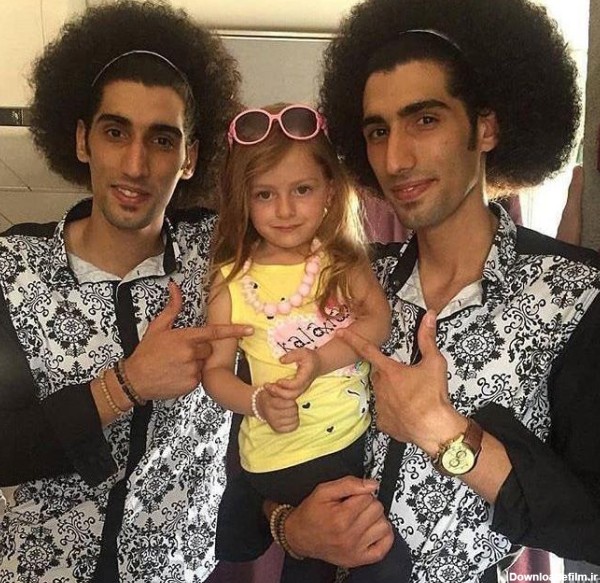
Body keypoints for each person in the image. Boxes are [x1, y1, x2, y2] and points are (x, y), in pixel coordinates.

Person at [262, 0, 600, 581]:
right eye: (378, 131)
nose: (396, 159)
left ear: (485, 128)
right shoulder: (343, 281)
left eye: (425, 120)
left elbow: (590, 526)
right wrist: (289, 527)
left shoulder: (575, 295)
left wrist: (445, 434)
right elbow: (259, 442)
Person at [0, 2, 251, 581]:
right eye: (115, 132)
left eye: (162, 140)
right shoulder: (13, 270)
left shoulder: (225, 256)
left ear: (190, 158)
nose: (135, 165)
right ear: (82, 140)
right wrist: (126, 384)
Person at [203, 102, 411, 583]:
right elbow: (214, 373)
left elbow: (379, 321)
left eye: (302, 189)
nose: (285, 209)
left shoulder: (343, 263)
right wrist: (256, 401)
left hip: (351, 444)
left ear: (329, 191)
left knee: (338, 560)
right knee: (378, 561)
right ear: (243, 199)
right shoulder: (230, 282)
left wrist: (319, 360)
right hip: (282, 457)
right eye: (265, 194)